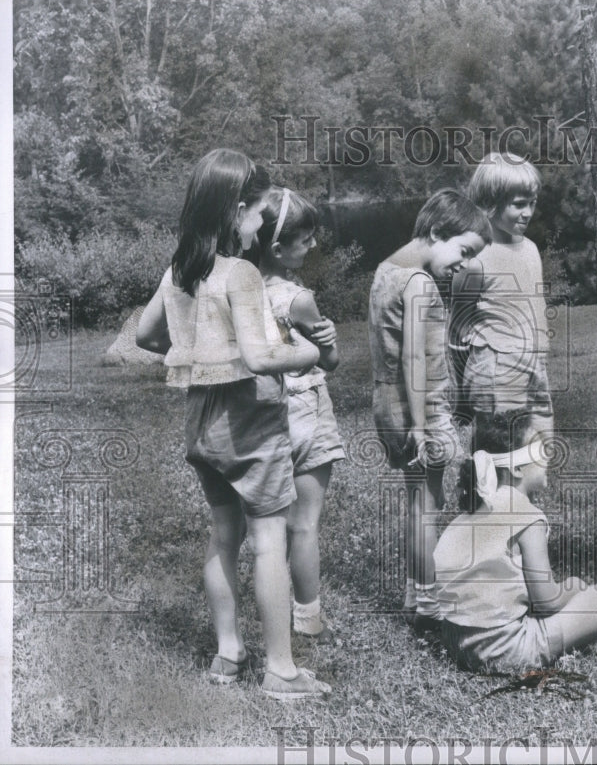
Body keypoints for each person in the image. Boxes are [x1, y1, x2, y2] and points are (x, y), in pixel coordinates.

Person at [136, 149, 331, 699]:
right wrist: (306, 354)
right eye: (258, 215)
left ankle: (227, 653)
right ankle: (280, 671)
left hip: (202, 421)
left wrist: (199, 348)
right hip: (249, 418)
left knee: (223, 534)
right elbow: (264, 357)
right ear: (237, 210)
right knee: (269, 538)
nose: (262, 226)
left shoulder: (180, 270)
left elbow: (148, 338)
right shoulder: (240, 272)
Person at [434, 410, 597, 673]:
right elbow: (546, 601)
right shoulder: (527, 517)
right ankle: (585, 640)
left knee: (570, 597)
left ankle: (579, 636)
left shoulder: (471, 511)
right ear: (518, 467)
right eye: (541, 450)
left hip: (456, 643)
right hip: (505, 650)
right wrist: (573, 587)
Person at [368, 189, 491, 631]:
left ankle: (413, 589)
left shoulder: (386, 271)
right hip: (420, 409)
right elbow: (414, 360)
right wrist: (422, 427)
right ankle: (427, 605)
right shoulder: (419, 284)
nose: (463, 265)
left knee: (417, 500)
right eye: (463, 252)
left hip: (390, 403)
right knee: (427, 506)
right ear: (438, 231)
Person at [252, 186, 345, 639]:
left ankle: (270, 609)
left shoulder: (242, 288)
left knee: (270, 527)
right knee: (305, 523)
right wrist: (329, 345)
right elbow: (327, 362)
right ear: (277, 246)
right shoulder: (297, 298)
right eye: (305, 238)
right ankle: (308, 619)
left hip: (265, 412)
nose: (312, 245)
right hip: (306, 408)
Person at [450, 152, 553, 441]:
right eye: (519, 205)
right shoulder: (475, 258)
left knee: (536, 455)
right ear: (489, 204)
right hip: (494, 375)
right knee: (497, 461)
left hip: (534, 368)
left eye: (532, 203)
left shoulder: (531, 248)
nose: (528, 213)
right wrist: (462, 393)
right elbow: (458, 328)